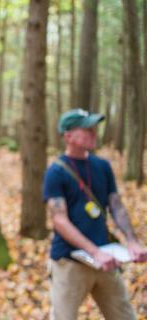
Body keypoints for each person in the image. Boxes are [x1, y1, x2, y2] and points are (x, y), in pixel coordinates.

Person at [42, 108, 147, 320]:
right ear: (68, 135)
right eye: (87, 129)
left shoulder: (102, 166)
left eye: (94, 128)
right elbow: (59, 220)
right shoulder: (56, 172)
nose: (93, 133)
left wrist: (132, 241)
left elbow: (115, 206)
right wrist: (94, 252)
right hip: (70, 262)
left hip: (106, 258)